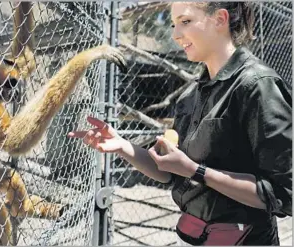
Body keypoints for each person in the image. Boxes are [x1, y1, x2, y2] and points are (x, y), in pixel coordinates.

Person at [68, 2, 292, 245]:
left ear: (220, 19)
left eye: (185, 22)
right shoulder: (190, 96)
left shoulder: (257, 84)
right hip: (196, 236)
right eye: (174, 24)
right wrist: (122, 145)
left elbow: (281, 193)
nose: (175, 34)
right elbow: (170, 173)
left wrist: (196, 171)